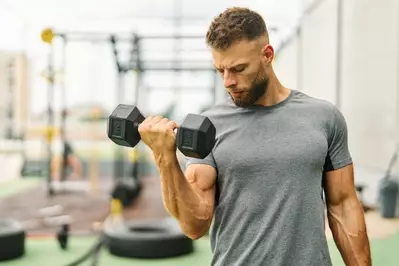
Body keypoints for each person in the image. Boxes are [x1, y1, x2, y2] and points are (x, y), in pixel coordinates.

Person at [138, 7, 371, 266]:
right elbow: (195, 225)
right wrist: (164, 157)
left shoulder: (324, 117)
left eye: (238, 68)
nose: (228, 81)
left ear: (267, 55)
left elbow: (343, 205)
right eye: (220, 70)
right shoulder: (209, 126)